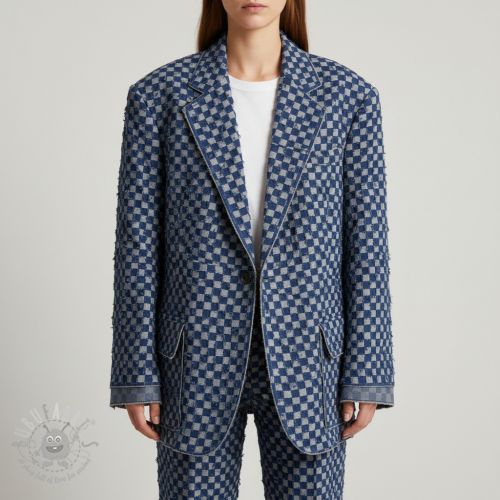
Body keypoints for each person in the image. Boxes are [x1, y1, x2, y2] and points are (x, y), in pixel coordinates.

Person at [109, 1, 395, 498]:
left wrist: (367, 372)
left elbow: (366, 246)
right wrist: (137, 374)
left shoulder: (347, 97)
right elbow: (137, 247)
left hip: (311, 359)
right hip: (193, 358)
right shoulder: (159, 96)